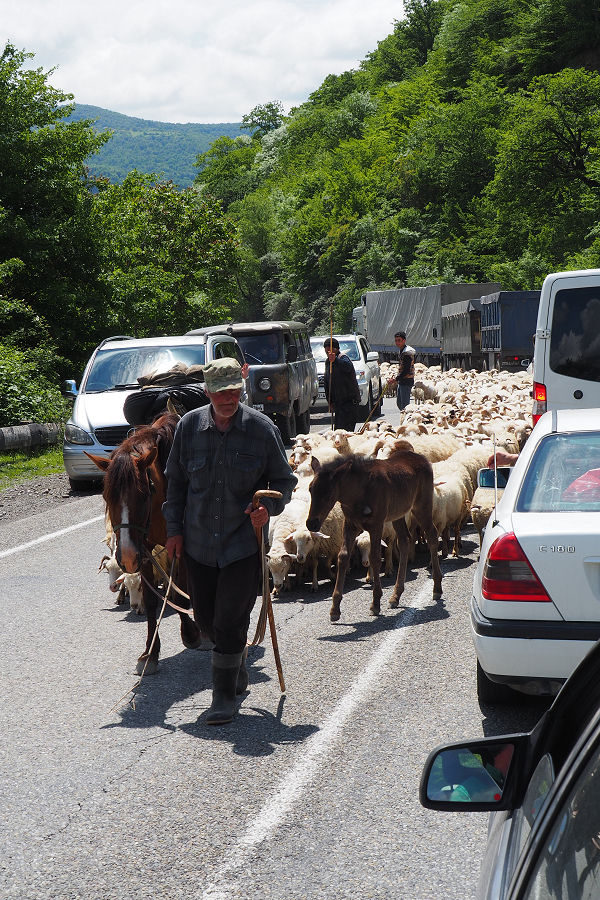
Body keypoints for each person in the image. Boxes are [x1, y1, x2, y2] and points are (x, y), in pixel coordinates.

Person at [163, 358, 296, 725]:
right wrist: (173, 530)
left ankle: (222, 697)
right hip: (199, 544)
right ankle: (234, 667)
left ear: (241, 389)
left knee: (229, 619)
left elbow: (284, 481)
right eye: (220, 393)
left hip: (242, 545)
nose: (228, 399)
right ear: (207, 392)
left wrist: (267, 508)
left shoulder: (260, 429)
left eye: (234, 392)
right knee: (206, 621)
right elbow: (175, 484)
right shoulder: (190, 427)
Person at [323, 337, 361, 432]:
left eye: (330, 350)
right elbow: (327, 382)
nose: (328, 353)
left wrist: (335, 360)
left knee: (346, 433)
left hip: (349, 404)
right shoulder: (328, 362)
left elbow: (348, 367)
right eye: (326, 351)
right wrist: (330, 401)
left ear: (336, 349)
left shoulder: (343, 359)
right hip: (338, 405)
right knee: (338, 433)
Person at [391, 331, 415, 411]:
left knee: (404, 405)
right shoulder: (402, 351)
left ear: (404, 340)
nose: (397, 342)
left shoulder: (407, 353)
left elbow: (406, 370)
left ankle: (406, 421)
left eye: (399, 340)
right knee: (400, 403)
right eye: (396, 340)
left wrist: (396, 379)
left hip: (406, 380)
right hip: (402, 380)